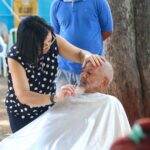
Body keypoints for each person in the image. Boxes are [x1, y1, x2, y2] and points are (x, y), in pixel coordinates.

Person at [0, 60, 131, 150]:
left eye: (89, 73)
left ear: (104, 82)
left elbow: (118, 138)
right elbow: (48, 125)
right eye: (83, 70)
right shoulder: (68, 95)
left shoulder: (110, 103)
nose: (83, 75)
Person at [6, 15, 104, 133]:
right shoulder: (15, 57)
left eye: (50, 40)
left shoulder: (53, 41)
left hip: (47, 107)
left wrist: (87, 56)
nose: (49, 45)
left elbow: (78, 54)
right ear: (31, 45)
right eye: (44, 44)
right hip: (23, 113)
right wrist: (56, 97)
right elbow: (24, 96)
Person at [50, 0, 113, 90]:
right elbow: (56, 36)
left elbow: (107, 30)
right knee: (64, 101)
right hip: (64, 68)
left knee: (91, 102)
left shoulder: (98, 2)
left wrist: (92, 42)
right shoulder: (56, 4)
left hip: (92, 69)